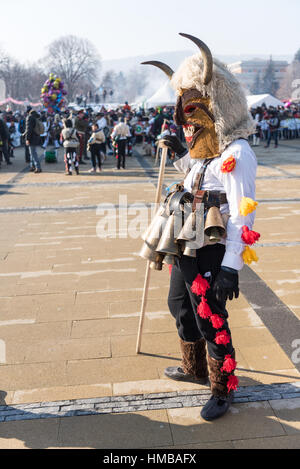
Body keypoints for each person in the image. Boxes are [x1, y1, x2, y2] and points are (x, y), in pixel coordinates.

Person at [140, 34, 258, 421]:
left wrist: (230, 266)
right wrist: (177, 152)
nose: (189, 126)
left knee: (210, 315)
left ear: (216, 110)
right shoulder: (205, 153)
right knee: (180, 305)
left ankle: (222, 389)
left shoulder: (237, 153)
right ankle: (193, 367)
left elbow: (243, 214)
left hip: (210, 246)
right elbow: (194, 178)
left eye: (195, 117)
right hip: (183, 241)